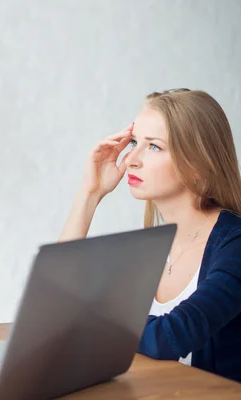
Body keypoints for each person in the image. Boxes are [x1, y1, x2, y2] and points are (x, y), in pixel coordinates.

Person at [59, 88, 241, 382]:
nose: (131, 159)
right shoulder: (152, 246)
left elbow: (169, 338)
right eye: (133, 142)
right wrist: (89, 195)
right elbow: (56, 298)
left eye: (154, 146)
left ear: (199, 164)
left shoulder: (234, 245)